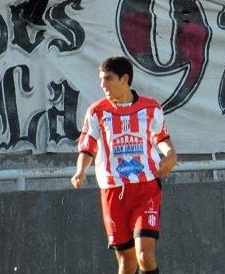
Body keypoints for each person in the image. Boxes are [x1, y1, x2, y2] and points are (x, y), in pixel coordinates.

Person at [71, 56, 178, 274]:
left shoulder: (150, 107)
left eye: (108, 79)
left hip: (146, 187)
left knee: (144, 255)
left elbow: (162, 139)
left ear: (124, 78)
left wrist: (170, 156)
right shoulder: (97, 111)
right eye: (101, 80)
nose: (103, 85)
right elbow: (87, 147)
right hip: (113, 191)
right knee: (127, 262)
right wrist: (80, 171)